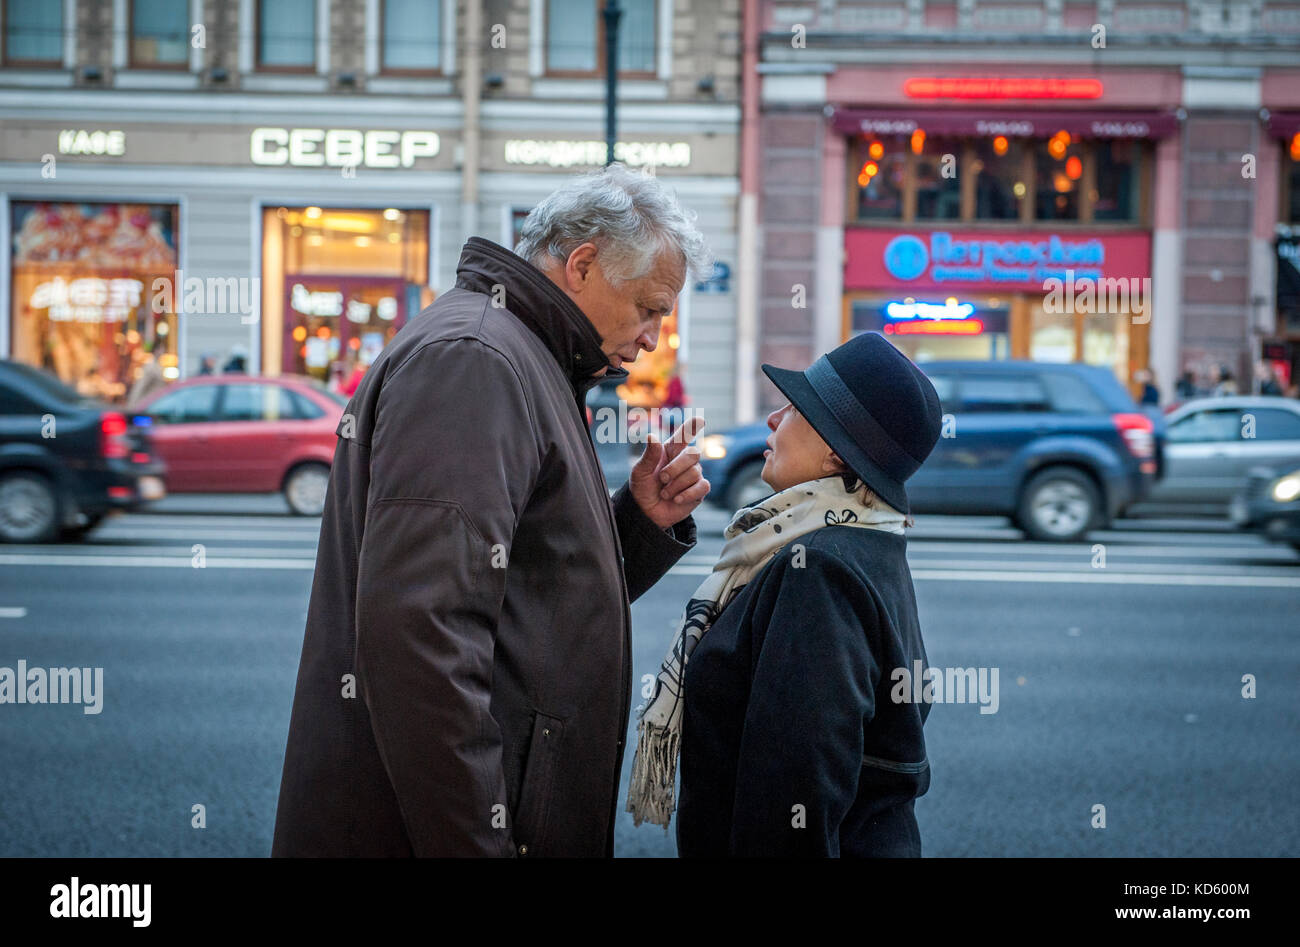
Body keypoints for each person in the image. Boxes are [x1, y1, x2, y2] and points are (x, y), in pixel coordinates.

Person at [272, 162, 713, 857]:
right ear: (583, 264)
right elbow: (423, 639)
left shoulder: (521, 352)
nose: (655, 334)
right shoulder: (477, 358)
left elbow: (532, 598)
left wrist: (638, 518)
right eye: (649, 307)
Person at [627, 331, 943, 857]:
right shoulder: (866, 542)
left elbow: (794, 791)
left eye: (795, 410)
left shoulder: (817, 570)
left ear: (835, 458)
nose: (773, 420)